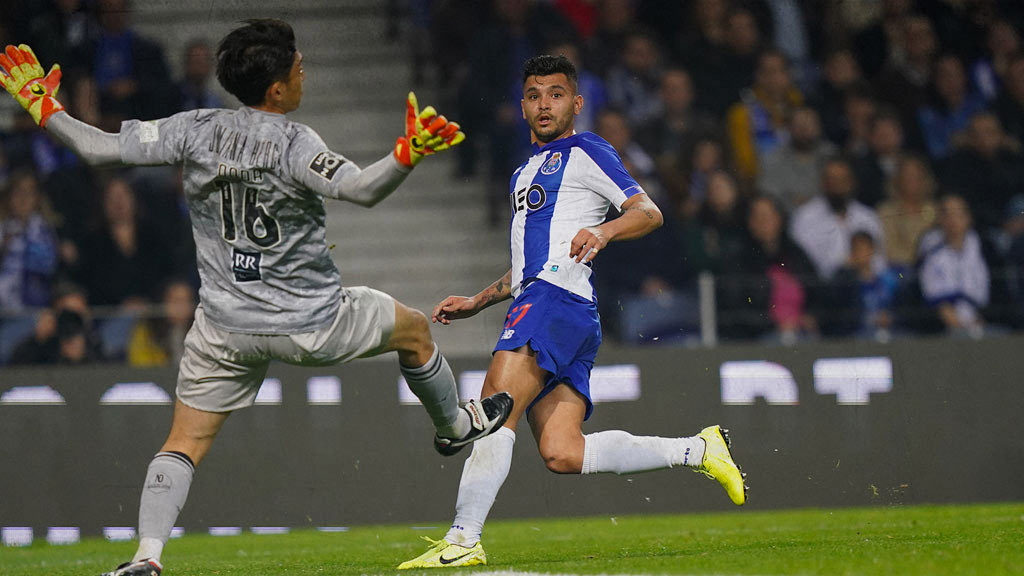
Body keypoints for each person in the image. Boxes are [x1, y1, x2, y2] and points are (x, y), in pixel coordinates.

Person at [0, 20, 514, 576]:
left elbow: (97, 149)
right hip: (312, 321)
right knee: (414, 329)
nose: (303, 73)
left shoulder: (193, 128)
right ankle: (454, 429)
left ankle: (147, 558)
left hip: (225, 327)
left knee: (184, 442)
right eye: (297, 67)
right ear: (276, 88)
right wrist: (407, 154)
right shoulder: (296, 144)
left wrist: (43, 107)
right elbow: (363, 190)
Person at [398, 55, 746, 570]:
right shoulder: (523, 172)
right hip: (558, 305)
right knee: (563, 452)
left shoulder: (586, 150)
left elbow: (648, 211)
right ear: (522, 106)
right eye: (535, 95)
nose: (544, 104)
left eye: (556, 94)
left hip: (556, 302)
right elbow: (527, 267)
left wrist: (604, 231)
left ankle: (463, 537)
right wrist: (478, 300)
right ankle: (698, 450)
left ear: (576, 103)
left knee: (495, 411)